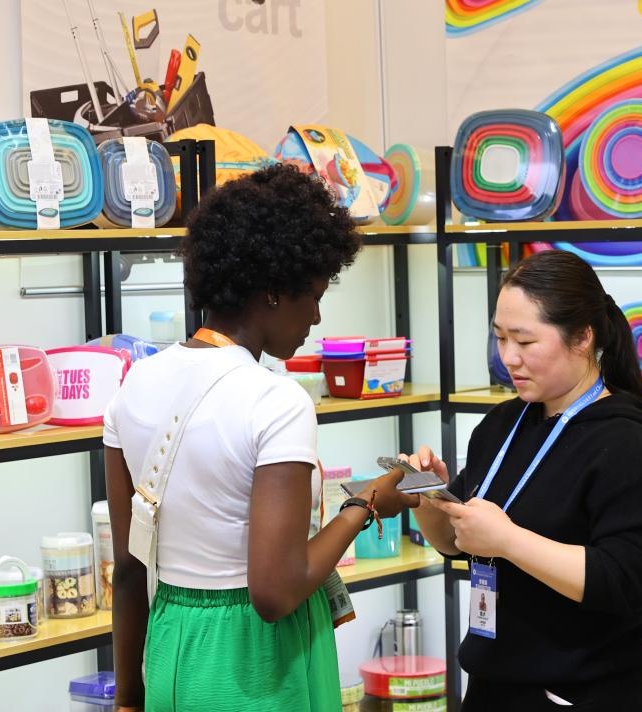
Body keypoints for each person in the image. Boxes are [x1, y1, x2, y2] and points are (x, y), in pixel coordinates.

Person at [104, 164, 418, 712]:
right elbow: (276, 591)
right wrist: (366, 505)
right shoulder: (276, 401)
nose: (316, 316)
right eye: (312, 295)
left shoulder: (135, 384)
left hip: (170, 644)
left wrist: (129, 699)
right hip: (256, 660)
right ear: (272, 291)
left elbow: (130, 569)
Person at [405, 249, 642, 711]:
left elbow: (625, 582)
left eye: (525, 341)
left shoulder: (627, 442)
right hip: (492, 685)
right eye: (499, 338)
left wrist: (508, 540)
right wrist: (429, 497)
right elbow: (456, 543)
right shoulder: (502, 424)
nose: (508, 357)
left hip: (579, 694)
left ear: (583, 337)